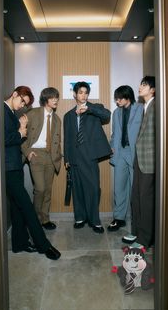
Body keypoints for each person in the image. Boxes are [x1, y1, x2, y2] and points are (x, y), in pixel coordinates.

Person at [4, 86, 61, 260]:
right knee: (29, 204)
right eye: (22, 101)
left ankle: (19, 244)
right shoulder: (3, 112)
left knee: (17, 208)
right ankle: (43, 244)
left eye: (25, 103)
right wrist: (23, 138)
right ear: (15, 95)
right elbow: (5, 138)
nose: (22, 106)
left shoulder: (11, 113)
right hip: (11, 165)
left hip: (16, 165)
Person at [64, 81, 112, 234]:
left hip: (90, 156)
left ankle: (95, 220)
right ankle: (80, 218)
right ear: (74, 94)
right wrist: (67, 159)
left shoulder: (95, 108)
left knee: (92, 189)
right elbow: (68, 139)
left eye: (86, 92)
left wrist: (89, 108)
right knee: (77, 189)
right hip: (75, 157)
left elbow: (107, 115)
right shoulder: (68, 115)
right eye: (80, 92)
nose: (83, 95)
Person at [21, 87, 62, 230]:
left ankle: (45, 219)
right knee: (40, 188)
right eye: (52, 98)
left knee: (48, 190)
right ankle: (35, 220)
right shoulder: (33, 113)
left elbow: (58, 142)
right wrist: (27, 152)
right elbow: (20, 131)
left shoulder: (57, 120)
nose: (56, 100)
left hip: (51, 156)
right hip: (36, 155)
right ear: (45, 100)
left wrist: (59, 157)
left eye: (57, 97)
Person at [122, 76, 155, 248]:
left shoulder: (156, 106)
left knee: (146, 200)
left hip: (149, 161)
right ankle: (136, 231)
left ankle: (145, 239)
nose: (140, 87)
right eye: (140, 83)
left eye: (144, 85)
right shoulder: (143, 107)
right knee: (136, 198)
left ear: (153, 89)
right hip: (139, 159)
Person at [107, 85, 143, 231]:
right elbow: (115, 133)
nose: (117, 101)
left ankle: (138, 220)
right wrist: (112, 145)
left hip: (135, 152)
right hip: (120, 152)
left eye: (119, 98)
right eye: (116, 98)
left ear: (127, 97)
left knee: (136, 188)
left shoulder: (141, 108)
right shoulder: (116, 112)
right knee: (119, 187)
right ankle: (119, 218)